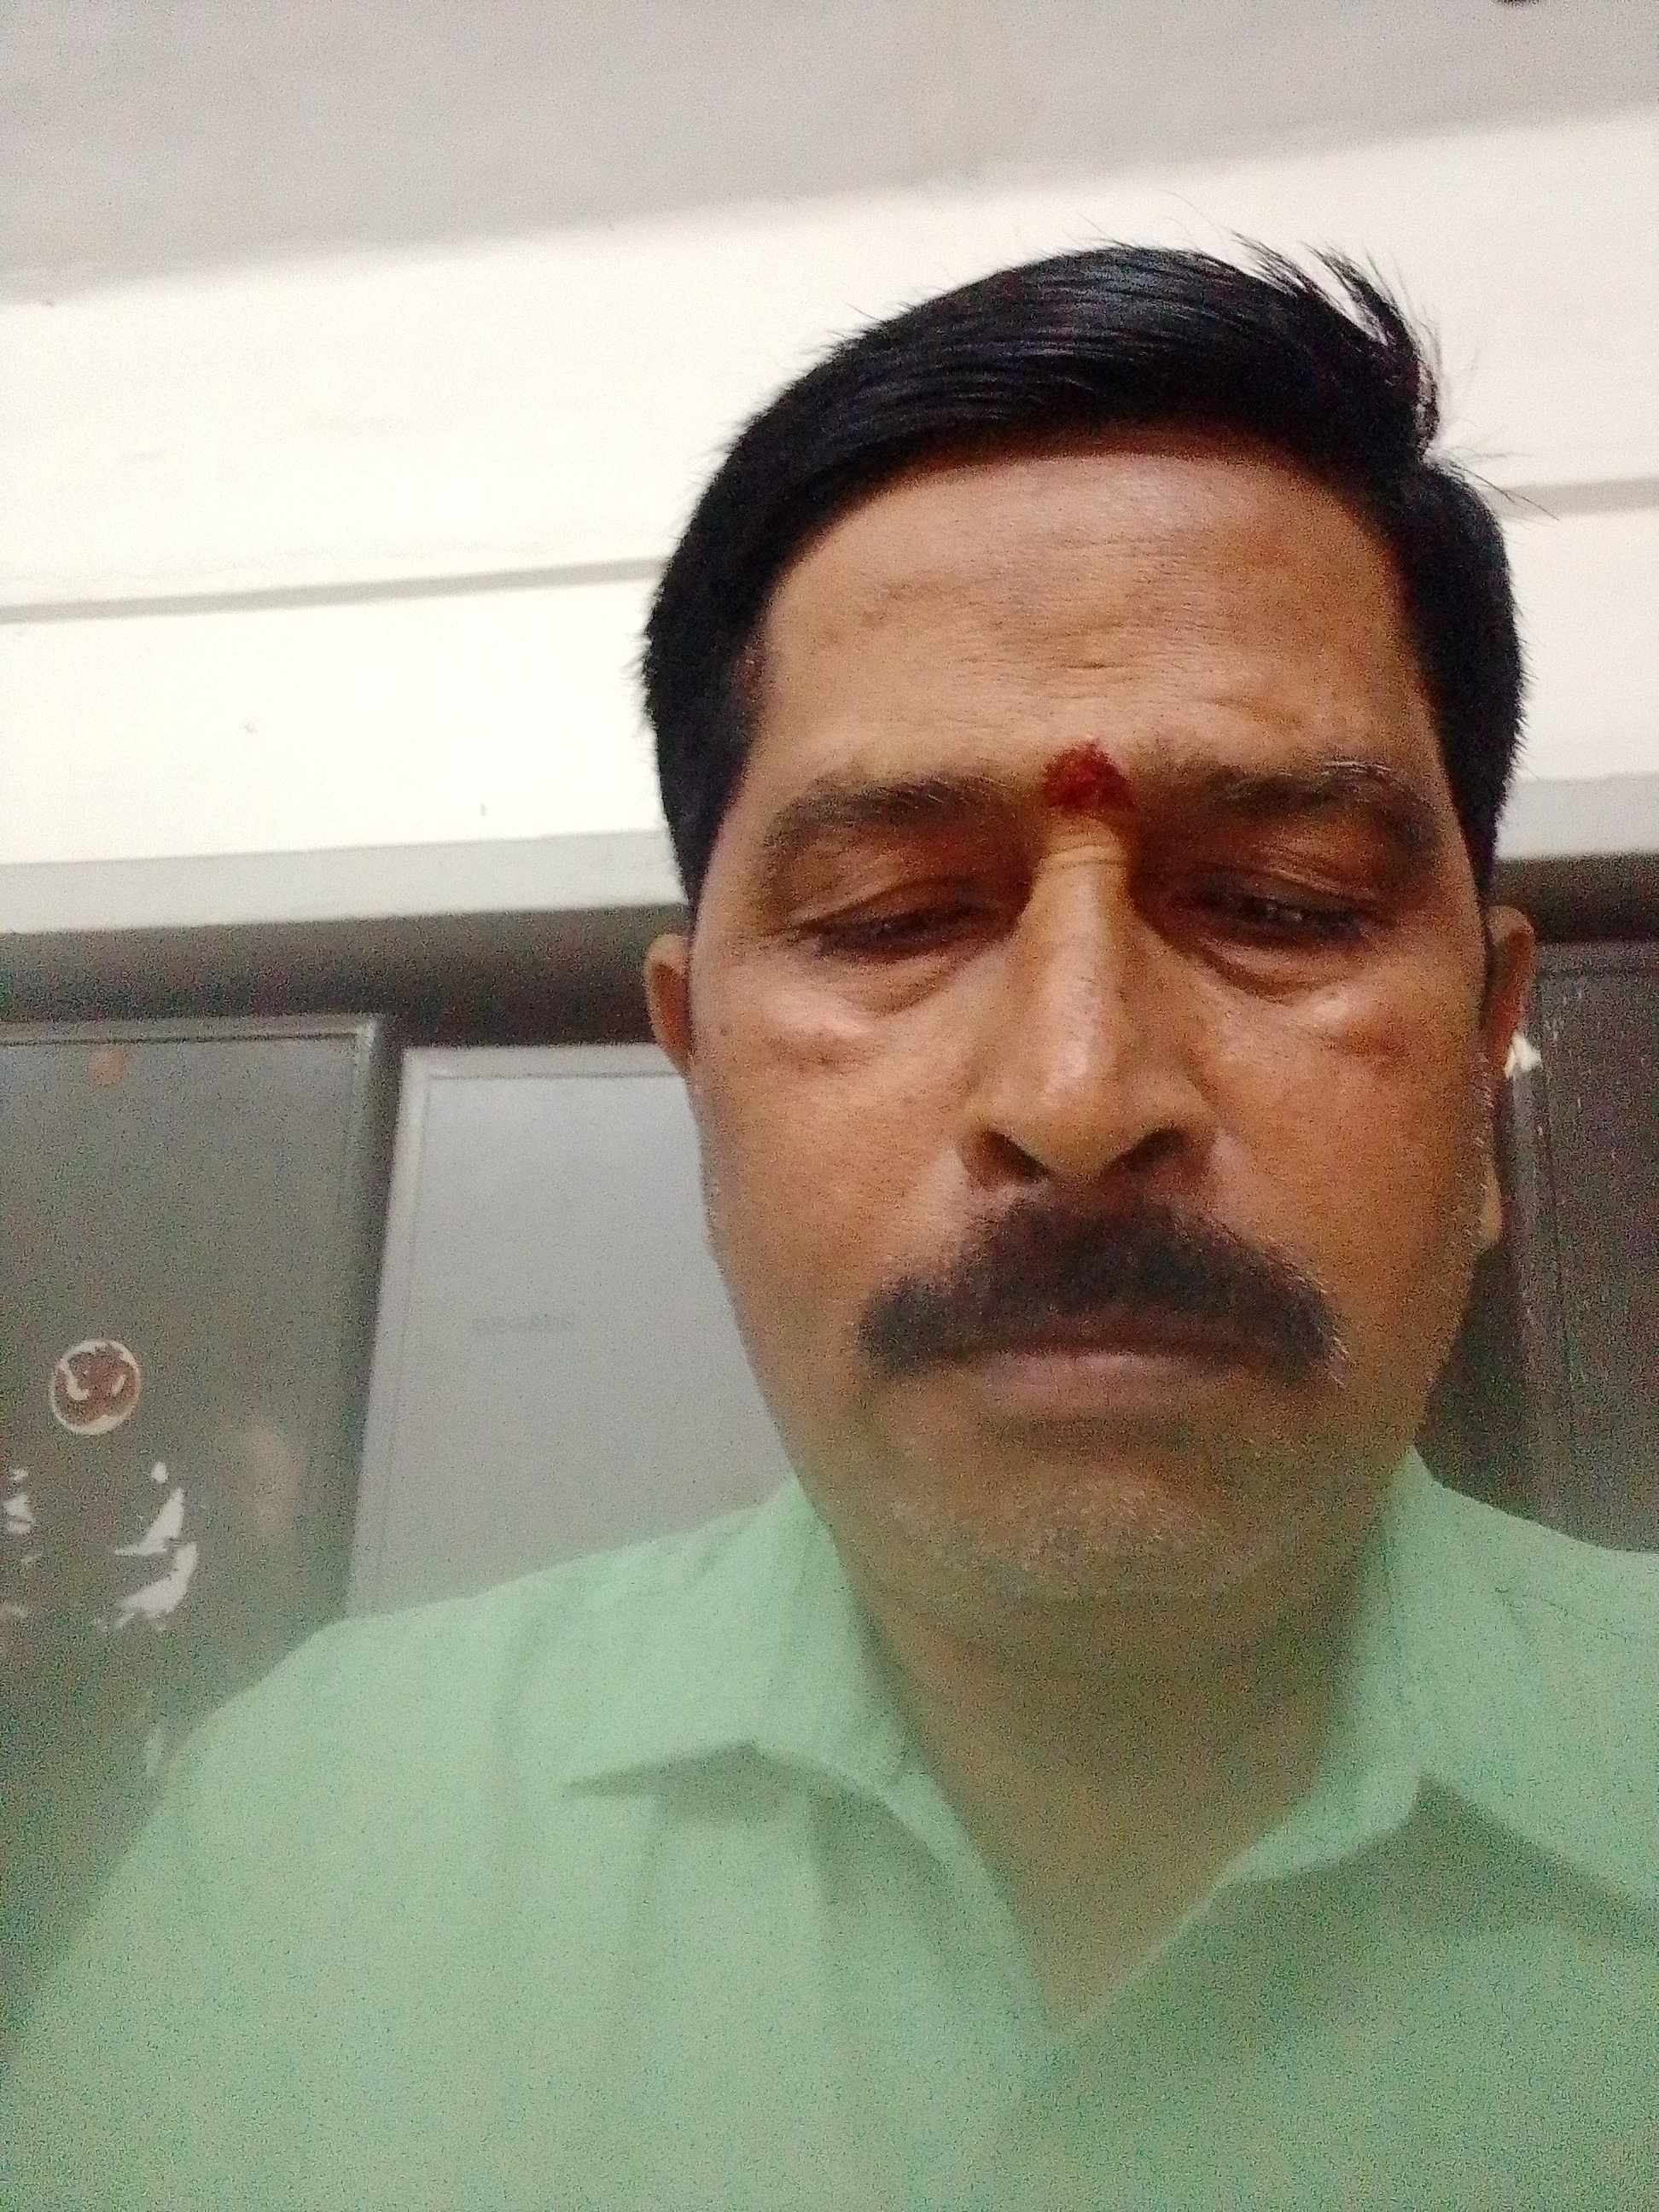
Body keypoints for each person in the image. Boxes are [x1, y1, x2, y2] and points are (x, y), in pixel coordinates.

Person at [3, 245, 1654, 2209]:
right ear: (699, 1071)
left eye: (1283, 904)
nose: (1079, 1094)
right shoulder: (310, 1855)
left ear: (1483, 1058)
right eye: (891, 918)